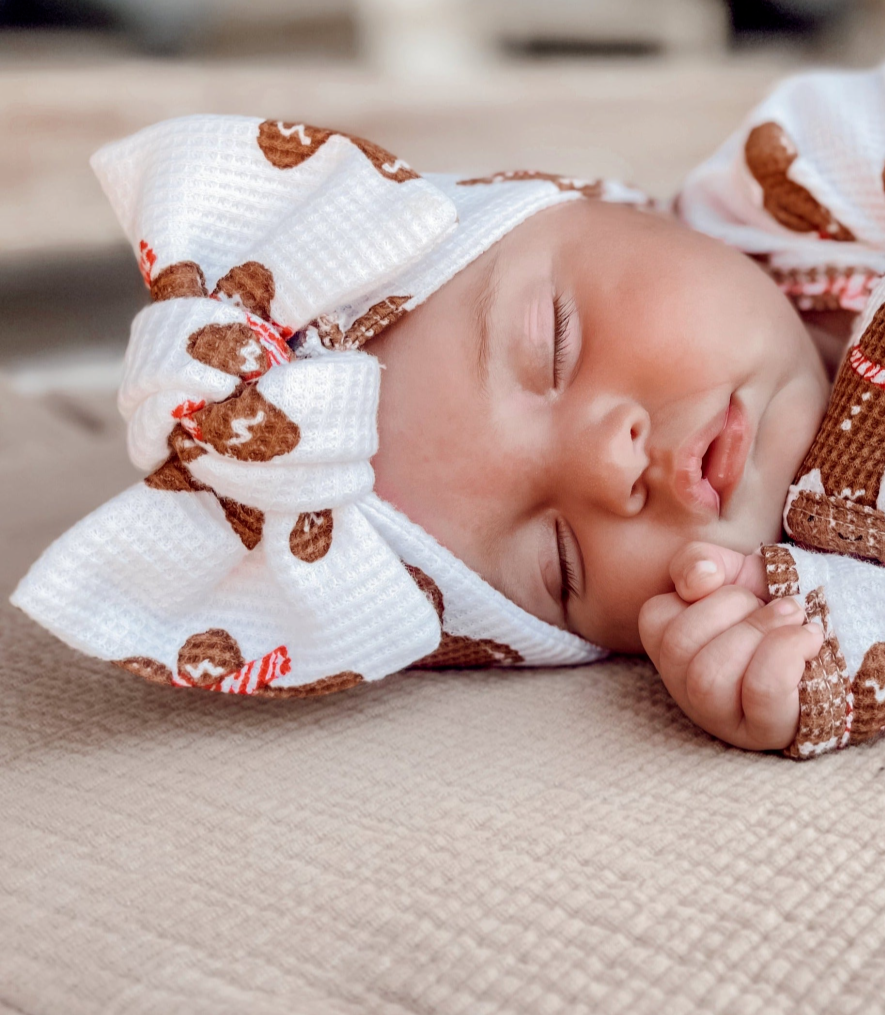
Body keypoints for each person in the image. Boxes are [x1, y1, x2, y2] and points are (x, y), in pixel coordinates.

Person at [12, 65, 885, 757]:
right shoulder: (809, 597)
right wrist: (816, 649)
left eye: (554, 343)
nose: (606, 466)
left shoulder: (808, 173)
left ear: (605, 207)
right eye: (560, 563)